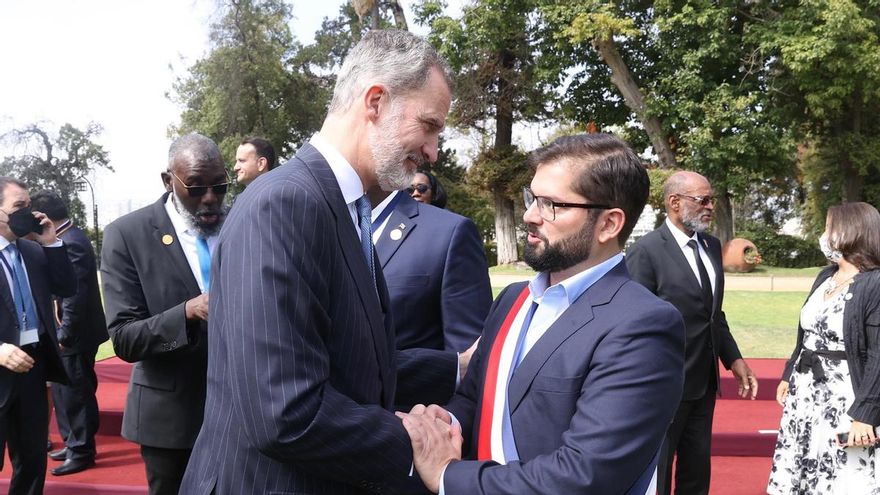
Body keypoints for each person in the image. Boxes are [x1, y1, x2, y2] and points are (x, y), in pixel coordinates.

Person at [180, 30, 459, 494]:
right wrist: (417, 441)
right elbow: (284, 412)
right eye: (429, 125)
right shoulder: (286, 205)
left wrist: (459, 368)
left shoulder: (344, 206)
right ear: (375, 102)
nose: (432, 151)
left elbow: (350, 361)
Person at [399, 133, 686, 494]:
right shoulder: (513, 299)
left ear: (609, 224)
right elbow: (478, 399)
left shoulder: (643, 326)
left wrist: (446, 475)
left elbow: (584, 475)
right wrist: (447, 422)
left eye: (553, 205)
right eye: (532, 198)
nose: (531, 215)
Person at [100, 133, 229, 495]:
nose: (209, 198)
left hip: (242, 414)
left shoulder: (240, 222)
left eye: (219, 186)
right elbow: (125, 338)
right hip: (171, 421)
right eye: (196, 187)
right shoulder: (127, 235)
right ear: (168, 181)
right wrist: (188, 312)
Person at [625, 170, 758, 495]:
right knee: (657, 472)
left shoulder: (712, 246)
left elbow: (714, 315)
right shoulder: (647, 251)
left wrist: (734, 359)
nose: (711, 207)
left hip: (703, 382)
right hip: (662, 385)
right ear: (674, 202)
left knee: (696, 470)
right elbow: (631, 322)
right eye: (704, 200)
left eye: (711, 199)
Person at [768, 202, 880, 494]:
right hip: (806, 394)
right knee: (803, 472)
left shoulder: (874, 283)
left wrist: (866, 414)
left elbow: (878, 355)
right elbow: (806, 332)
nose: (824, 234)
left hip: (844, 399)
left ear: (850, 231)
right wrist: (789, 373)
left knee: (840, 477)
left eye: (829, 227)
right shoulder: (825, 277)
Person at [368, 185, 492, 406]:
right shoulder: (311, 222)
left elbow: (469, 367)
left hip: (406, 428)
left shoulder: (449, 231)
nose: (432, 155)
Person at [0, 177, 75, 494]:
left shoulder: (32, 250)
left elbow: (66, 287)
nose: (28, 214)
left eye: (29, 206)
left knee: (32, 460)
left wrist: (51, 242)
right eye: (19, 207)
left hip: (32, 368)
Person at [30, 190, 108, 476]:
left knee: (76, 393)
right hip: (71, 332)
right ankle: (74, 443)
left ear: (44, 217)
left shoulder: (71, 241)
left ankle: (82, 450)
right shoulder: (67, 236)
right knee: (65, 392)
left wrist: (65, 333)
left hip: (75, 334)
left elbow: (73, 295)